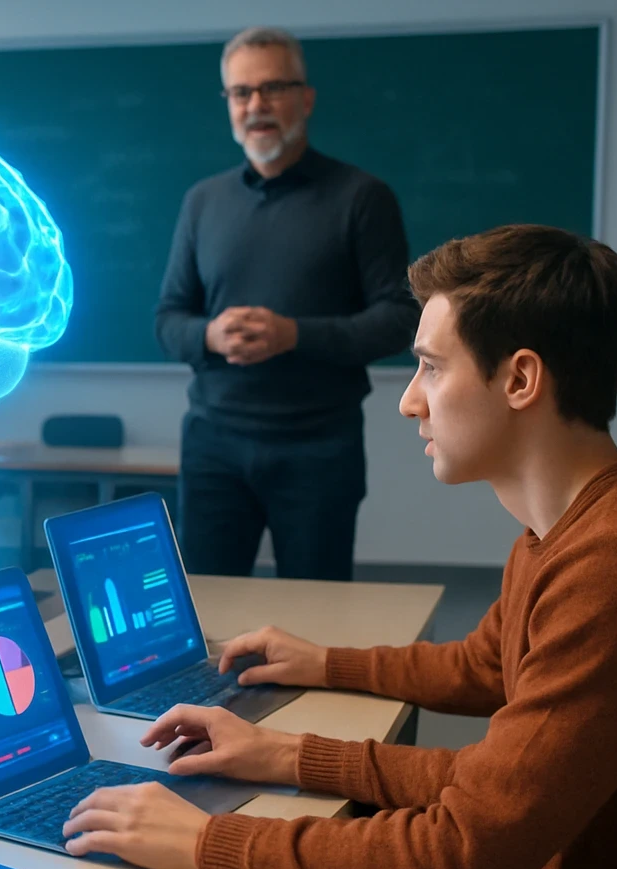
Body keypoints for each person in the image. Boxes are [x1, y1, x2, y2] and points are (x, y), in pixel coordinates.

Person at [66, 225, 617, 869]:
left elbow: (461, 854)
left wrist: (208, 843)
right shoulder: (568, 531)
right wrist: (285, 746)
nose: (410, 397)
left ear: (520, 379)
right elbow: (486, 702)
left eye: (431, 367)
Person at [155, 26, 419, 581]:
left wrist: (293, 335)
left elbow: (400, 319)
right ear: (227, 102)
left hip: (319, 447)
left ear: (306, 97)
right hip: (213, 446)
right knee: (205, 609)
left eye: (273, 88)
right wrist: (210, 336)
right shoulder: (202, 201)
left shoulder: (361, 197)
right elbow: (168, 320)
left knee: (317, 621)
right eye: (240, 92)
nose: (256, 105)